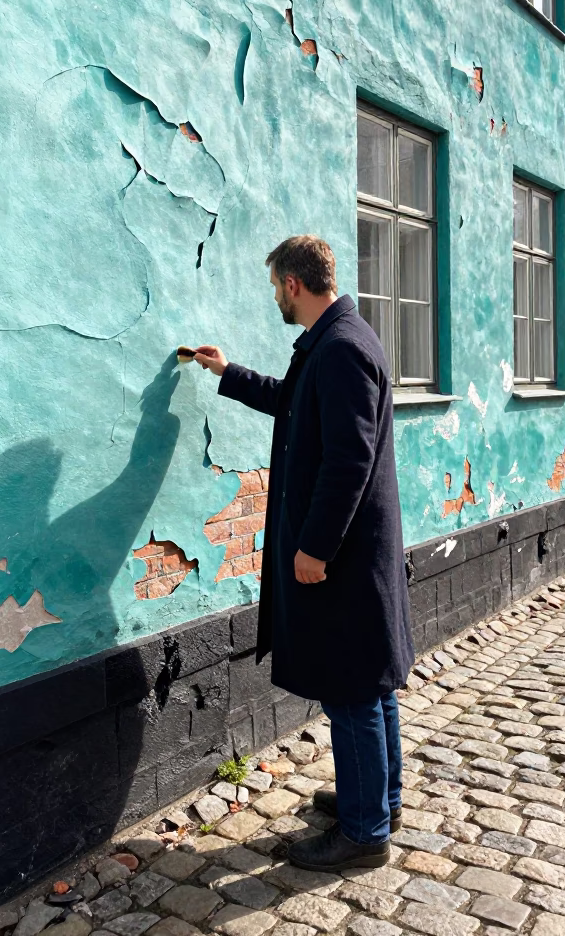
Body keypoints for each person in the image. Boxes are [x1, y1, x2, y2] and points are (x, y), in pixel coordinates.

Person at [194, 235, 414, 872]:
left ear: (293, 283)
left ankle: (364, 833)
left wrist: (314, 547)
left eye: (275, 287)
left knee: (350, 686)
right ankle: (378, 800)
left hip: (344, 555)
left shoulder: (340, 349)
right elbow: (294, 405)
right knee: (370, 682)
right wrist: (228, 373)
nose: (275, 298)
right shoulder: (337, 340)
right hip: (357, 550)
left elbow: (348, 462)